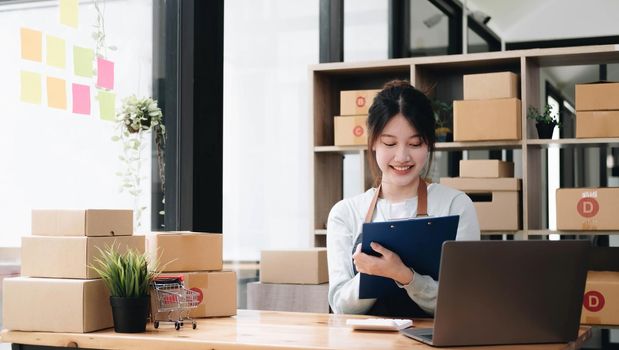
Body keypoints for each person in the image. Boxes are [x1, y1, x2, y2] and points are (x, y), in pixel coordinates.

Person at [327, 80, 480, 318]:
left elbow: (462, 302)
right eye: (389, 143)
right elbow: (339, 306)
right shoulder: (345, 213)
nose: (402, 156)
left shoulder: (455, 206)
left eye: (414, 143)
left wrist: (404, 276)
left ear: (428, 143)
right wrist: (373, 272)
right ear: (374, 143)